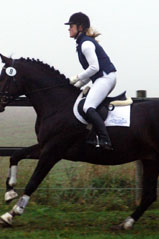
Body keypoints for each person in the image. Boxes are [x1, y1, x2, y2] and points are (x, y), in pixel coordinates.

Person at [65, 12, 117, 150]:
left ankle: (105, 140)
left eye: (71, 26)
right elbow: (91, 72)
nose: (69, 28)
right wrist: (77, 85)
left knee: (88, 107)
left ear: (80, 27)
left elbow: (94, 68)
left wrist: (75, 78)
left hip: (105, 78)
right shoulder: (83, 43)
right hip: (102, 78)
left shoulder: (86, 44)